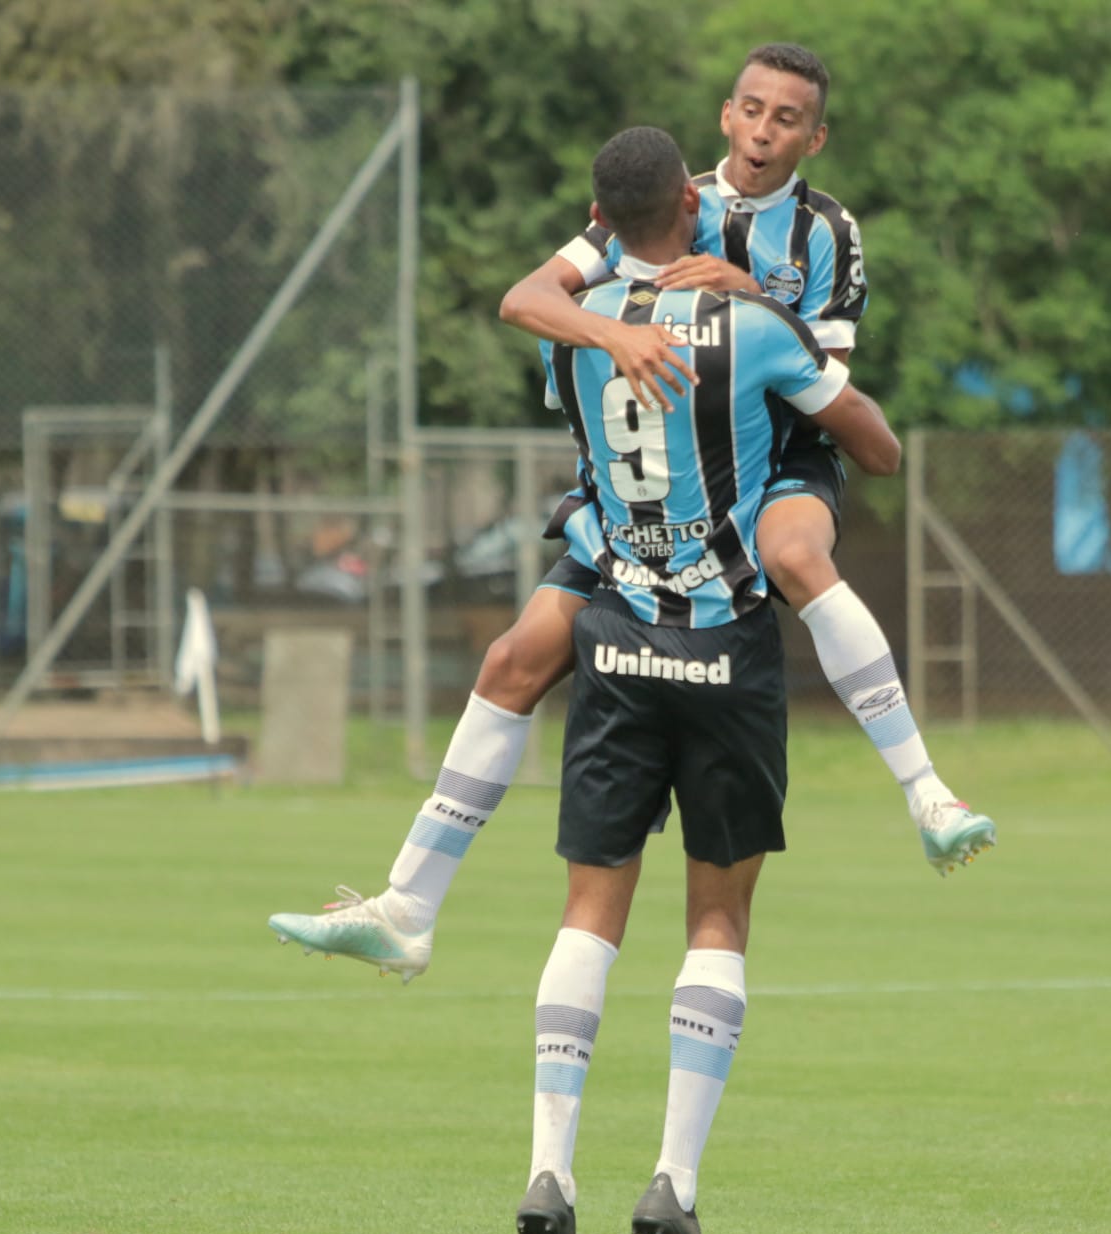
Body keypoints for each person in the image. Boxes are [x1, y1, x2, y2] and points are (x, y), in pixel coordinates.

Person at [265, 42, 991, 983]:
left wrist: (755, 298)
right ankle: (407, 904)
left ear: (817, 135)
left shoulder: (829, 232)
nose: (766, 129)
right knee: (516, 657)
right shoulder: (664, 195)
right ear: (726, 114)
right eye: (752, 109)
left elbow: (835, 387)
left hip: (775, 453)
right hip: (657, 475)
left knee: (797, 556)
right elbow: (527, 297)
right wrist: (616, 332)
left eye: (788, 117)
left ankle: (928, 794)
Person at [500, 126, 902, 1234]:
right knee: (718, 916)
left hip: (613, 638)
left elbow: (538, 310)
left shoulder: (577, 340)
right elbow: (872, 448)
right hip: (724, 643)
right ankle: (673, 1176)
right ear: (693, 197)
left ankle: (546, 1165)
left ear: (596, 216)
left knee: (588, 911)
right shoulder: (753, 324)